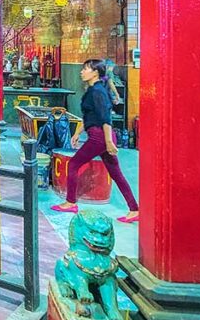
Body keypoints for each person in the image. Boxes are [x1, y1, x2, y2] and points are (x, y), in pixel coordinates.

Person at [51, 59, 139, 223]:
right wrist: (77, 133)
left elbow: (105, 118)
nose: (81, 71)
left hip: (100, 137)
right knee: (116, 173)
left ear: (95, 72)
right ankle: (134, 209)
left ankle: (70, 202)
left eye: (85, 69)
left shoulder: (97, 91)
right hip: (101, 136)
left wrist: (108, 142)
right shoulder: (94, 89)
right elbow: (90, 117)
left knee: (74, 164)